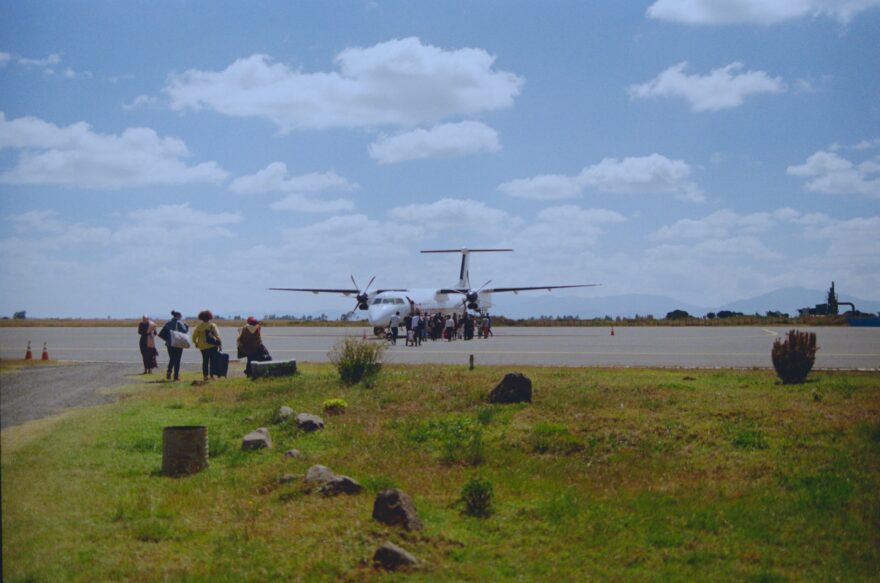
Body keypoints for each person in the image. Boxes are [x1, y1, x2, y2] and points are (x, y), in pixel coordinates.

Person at [192, 309, 222, 380]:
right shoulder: (212, 325)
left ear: (201, 317)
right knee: (212, 361)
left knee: (205, 361)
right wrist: (220, 344)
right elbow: (217, 336)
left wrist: (196, 343)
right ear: (210, 317)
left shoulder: (199, 327)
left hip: (202, 347)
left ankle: (205, 376)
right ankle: (212, 375)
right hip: (212, 346)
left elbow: (194, 337)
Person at [159, 310, 188, 381]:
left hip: (169, 344)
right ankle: (176, 376)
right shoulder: (180, 323)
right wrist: (187, 326)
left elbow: (162, 333)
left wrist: (168, 339)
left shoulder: (168, 323)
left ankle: (169, 372)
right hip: (177, 343)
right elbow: (184, 331)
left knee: (172, 359)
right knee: (177, 360)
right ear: (178, 316)